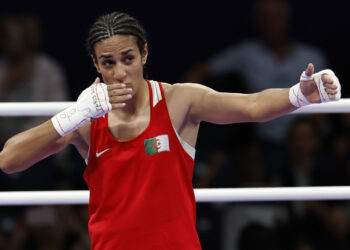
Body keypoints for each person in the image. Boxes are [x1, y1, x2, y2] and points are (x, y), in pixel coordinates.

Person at [0, 11, 341, 250]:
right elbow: (9, 160)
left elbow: (250, 106)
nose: (120, 72)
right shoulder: (86, 119)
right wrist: (73, 114)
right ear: (95, 64)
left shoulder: (180, 101)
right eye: (108, 63)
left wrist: (299, 95)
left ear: (144, 53)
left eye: (128, 58)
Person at [183, 0, 328, 175]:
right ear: (258, 21)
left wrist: (315, 134)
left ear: (287, 20)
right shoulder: (246, 53)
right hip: (262, 138)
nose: (271, 23)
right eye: (266, 17)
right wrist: (189, 107)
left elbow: (324, 104)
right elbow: (199, 72)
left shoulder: (312, 56)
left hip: (304, 138)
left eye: (276, 17)